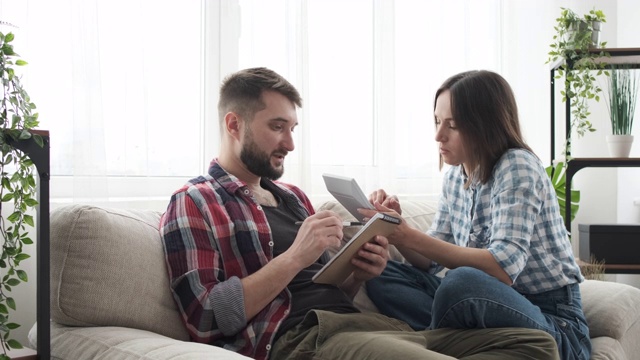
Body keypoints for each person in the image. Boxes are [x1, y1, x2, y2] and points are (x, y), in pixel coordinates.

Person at [159, 67, 560, 360]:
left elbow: (331, 290)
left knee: (536, 344)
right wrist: (295, 256)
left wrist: (357, 273)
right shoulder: (196, 202)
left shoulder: (293, 198)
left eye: (293, 128)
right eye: (277, 127)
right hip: (304, 337)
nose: (290, 143)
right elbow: (208, 317)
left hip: (366, 326)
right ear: (234, 124)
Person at [362, 70, 590, 360]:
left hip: (551, 321)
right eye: (436, 121)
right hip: (488, 313)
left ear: (485, 125)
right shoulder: (455, 177)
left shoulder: (516, 165)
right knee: (378, 269)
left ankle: (433, 341)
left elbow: (502, 269)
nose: (438, 136)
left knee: (461, 283)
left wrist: (410, 236)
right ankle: (456, 340)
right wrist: (396, 229)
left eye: (452, 125)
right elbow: (431, 261)